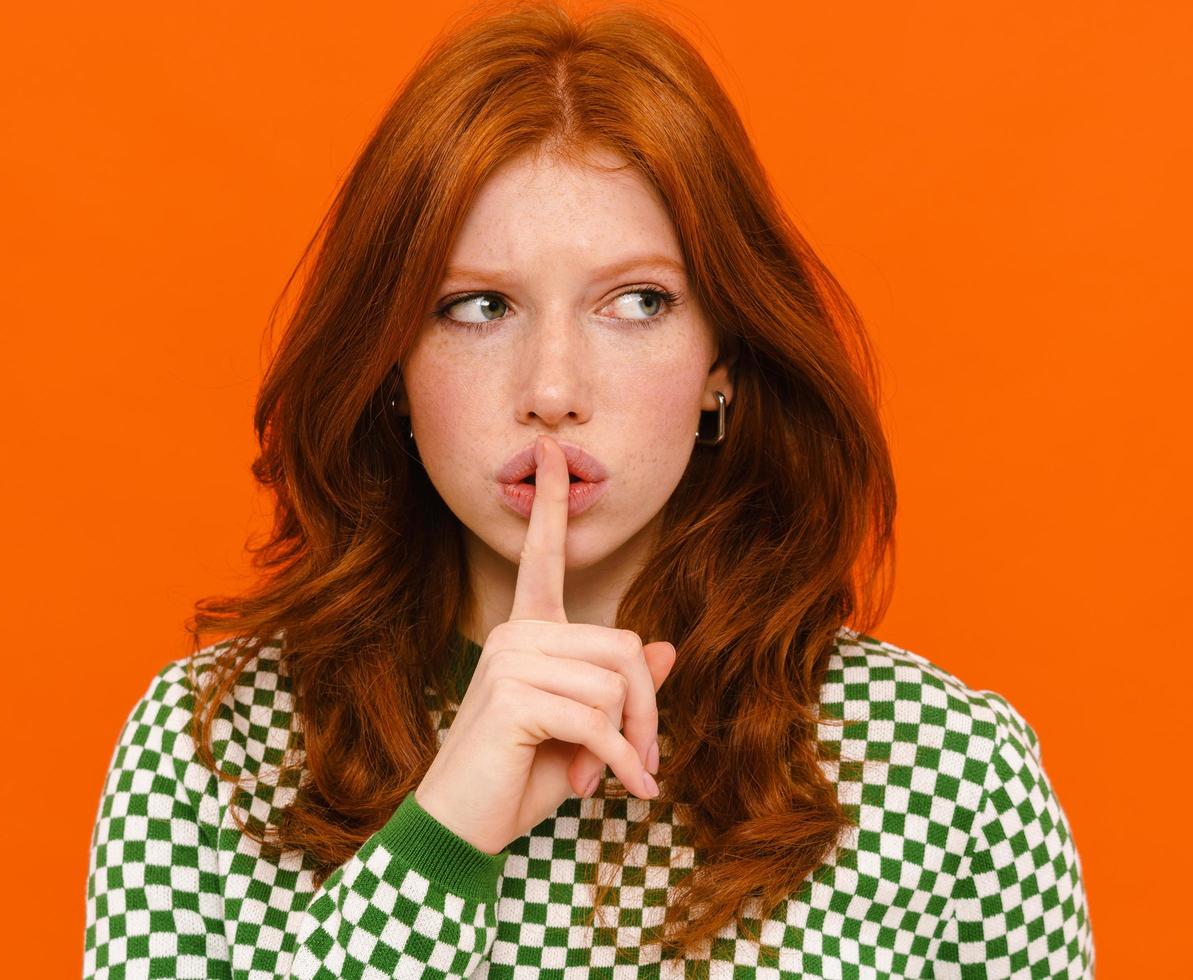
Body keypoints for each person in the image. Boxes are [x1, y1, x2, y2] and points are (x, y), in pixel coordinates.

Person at [82, 1, 1095, 977]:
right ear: (390, 364)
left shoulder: (947, 772)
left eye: (637, 302)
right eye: (478, 305)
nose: (554, 390)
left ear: (722, 362)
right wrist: (441, 837)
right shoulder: (214, 751)